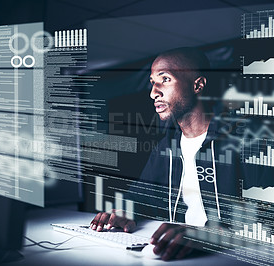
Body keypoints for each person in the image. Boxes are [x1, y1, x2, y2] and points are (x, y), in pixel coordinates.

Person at [90, 47, 248, 260]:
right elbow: (143, 193)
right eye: (152, 82)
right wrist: (124, 212)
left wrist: (212, 235)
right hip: (177, 256)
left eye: (165, 79)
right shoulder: (167, 145)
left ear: (198, 85)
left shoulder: (246, 140)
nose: (153, 92)